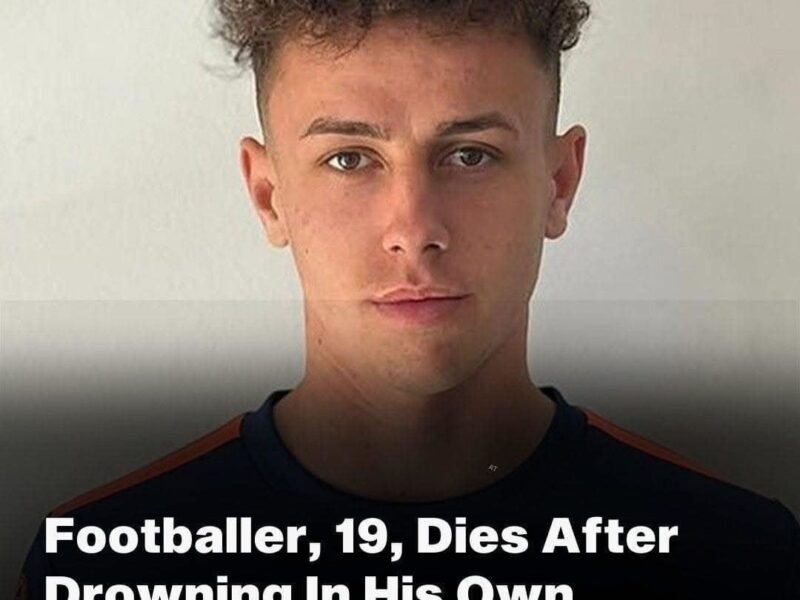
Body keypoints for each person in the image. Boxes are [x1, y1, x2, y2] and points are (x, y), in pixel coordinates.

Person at [17, 2, 799, 598]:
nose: (414, 231)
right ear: (268, 195)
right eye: (350, 158)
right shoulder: (101, 568)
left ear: (559, 183)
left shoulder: (737, 559)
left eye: (470, 154)